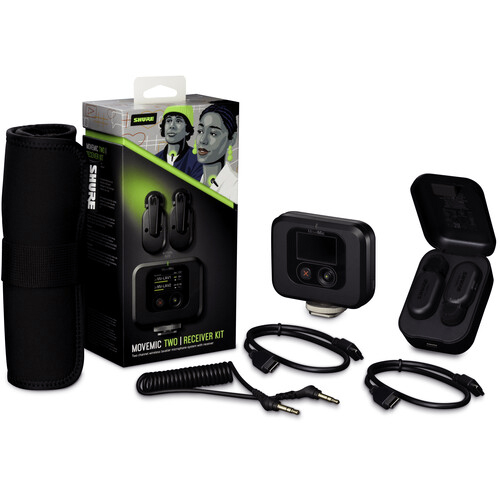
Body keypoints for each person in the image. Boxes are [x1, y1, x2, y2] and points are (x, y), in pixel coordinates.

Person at [195, 100, 239, 203]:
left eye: (213, 133)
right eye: (200, 131)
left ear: (232, 139)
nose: (203, 140)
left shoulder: (236, 188)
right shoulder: (193, 181)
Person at [156, 105, 203, 180]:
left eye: (178, 121)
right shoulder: (155, 160)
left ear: (187, 130)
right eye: (168, 121)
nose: (172, 126)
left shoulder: (197, 160)